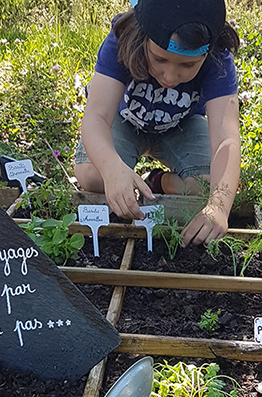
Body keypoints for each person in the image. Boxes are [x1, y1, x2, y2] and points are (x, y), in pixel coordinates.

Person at [74, 0, 240, 247]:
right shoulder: (123, 38)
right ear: (142, 37)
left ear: (207, 53)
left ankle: (156, 182)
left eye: (187, 65)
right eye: (159, 59)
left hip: (180, 125)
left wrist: (218, 207)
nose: (170, 76)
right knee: (92, 176)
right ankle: (123, 172)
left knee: (209, 184)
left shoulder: (218, 58)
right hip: (125, 120)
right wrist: (112, 169)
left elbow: (226, 140)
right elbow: (95, 117)